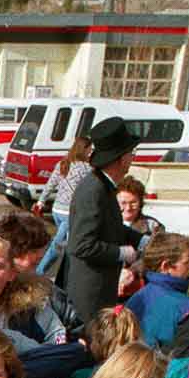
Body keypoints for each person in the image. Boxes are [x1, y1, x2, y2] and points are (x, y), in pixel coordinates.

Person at [62, 118, 142, 326]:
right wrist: (120, 253)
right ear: (121, 158)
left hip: (99, 287)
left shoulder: (104, 186)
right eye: (131, 154)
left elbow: (111, 227)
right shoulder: (93, 190)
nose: (132, 159)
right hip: (88, 293)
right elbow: (82, 245)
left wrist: (141, 240)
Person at [35, 135, 93, 279]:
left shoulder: (63, 163)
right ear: (83, 150)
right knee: (59, 244)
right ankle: (39, 272)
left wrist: (41, 201)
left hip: (57, 210)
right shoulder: (86, 168)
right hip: (70, 212)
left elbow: (51, 184)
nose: (91, 153)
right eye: (90, 150)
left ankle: (65, 273)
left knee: (66, 243)